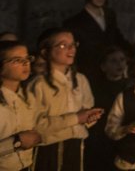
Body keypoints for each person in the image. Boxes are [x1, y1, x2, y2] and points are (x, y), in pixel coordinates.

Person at [28, 28, 104, 171]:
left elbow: (86, 115)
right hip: (48, 151)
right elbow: (36, 125)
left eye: (73, 44)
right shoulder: (38, 84)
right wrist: (76, 118)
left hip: (76, 147)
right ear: (46, 52)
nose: (70, 49)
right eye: (63, 45)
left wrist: (90, 118)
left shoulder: (80, 80)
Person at [63, 0, 128, 82]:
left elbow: (118, 40)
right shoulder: (74, 23)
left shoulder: (110, 16)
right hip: (89, 78)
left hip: (112, 78)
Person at [85, 45, 129, 171]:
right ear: (103, 66)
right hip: (101, 142)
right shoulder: (95, 89)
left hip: (124, 139)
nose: (119, 64)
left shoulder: (131, 87)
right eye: (113, 61)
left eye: (122, 60)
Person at [0, 40, 42, 171]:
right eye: (17, 60)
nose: (26, 63)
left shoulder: (28, 97)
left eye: (27, 58)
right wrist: (16, 142)